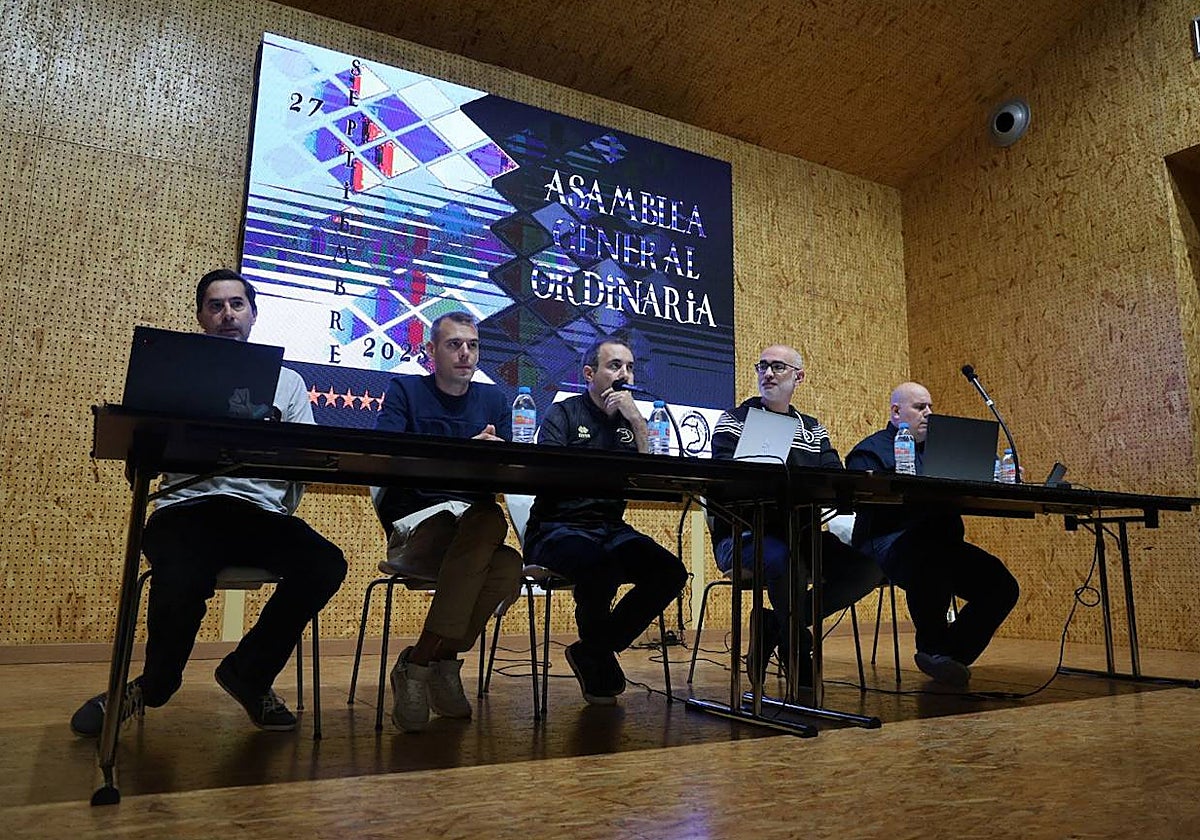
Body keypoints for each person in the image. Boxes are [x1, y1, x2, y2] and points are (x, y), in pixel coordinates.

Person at [70, 269, 348, 736]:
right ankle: (152, 686)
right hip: (185, 511)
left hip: (257, 516)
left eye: (237, 305)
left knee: (325, 563)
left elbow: (307, 461)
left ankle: (249, 673)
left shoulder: (289, 384)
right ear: (201, 316)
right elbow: (141, 463)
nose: (227, 315)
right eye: (215, 306)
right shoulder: (175, 377)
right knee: (182, 574)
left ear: (253, 314)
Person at [373, 311, 523, 732]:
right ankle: (438, 663)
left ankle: (424, 662)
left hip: (472, 526)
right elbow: (388, 453)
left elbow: (509, 470)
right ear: (430, 352)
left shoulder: (495, 401)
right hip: (418, 523)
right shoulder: (405, 390)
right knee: (490, 524)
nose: (465, 353)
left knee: (506, 560)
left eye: (472, 345)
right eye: (454, 344)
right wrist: (462, 452)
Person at [524, 337, 688, 705]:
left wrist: (639, 423)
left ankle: (595, 648)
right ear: (589, 373)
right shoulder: (563, 414)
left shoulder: (631, 421)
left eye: (629, 367)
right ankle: (598, 652)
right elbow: (545, 471)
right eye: (615, 366)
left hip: (610, 529)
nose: (624, 375)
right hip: (556, 527)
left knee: (670, 571)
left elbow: (649, 481)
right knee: (598, 566)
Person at [710, 344, 882, 683]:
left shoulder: (812, 428)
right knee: (785, 561)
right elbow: (722, 483)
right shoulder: (735, 420)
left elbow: (834, 474)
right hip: (744, 534)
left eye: (778, 367)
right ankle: (798, 648)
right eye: (762, 366)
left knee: (867, 570)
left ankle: (776, 623)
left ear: (798, 377)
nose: (768, 373)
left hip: (801, 532)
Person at [845, 381, 1020, 687]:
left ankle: (948, 655)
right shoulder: (869, 451)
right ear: (896, 411)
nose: (928, 414)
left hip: (941, 545)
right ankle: (933, 647)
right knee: (928, 548)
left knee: (1002, 586)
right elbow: (863, 496)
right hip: (887, 543)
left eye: (930, 407)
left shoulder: (946, 451)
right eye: (919, 407)